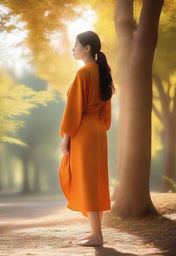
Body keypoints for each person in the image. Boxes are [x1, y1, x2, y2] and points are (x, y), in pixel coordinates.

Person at [58, 30, 115, 246]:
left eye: (76, 45)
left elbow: (74, 108)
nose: (73, 49)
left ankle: (97, 235)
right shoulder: (102, 73)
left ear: (87, 48)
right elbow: (107, 113)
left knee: (87, 180)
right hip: (98, 131)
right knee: (95, 179)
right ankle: (95, 232)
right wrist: (98, 127)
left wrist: (66, 136)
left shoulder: (83, 73)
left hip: (83, 130)